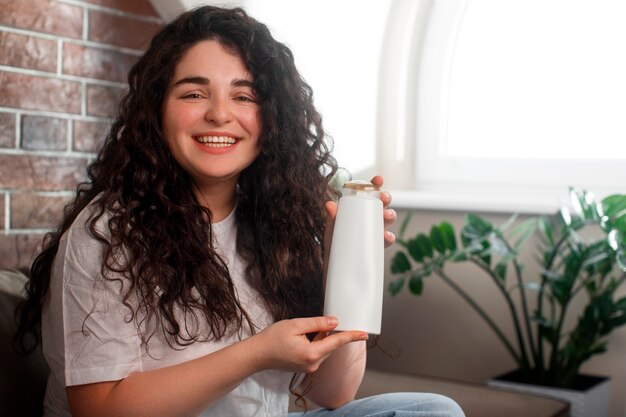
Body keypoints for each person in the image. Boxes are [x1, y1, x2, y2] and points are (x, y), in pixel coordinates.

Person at [15, 5, 465, 417]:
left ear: (271, 118)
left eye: (244, 97)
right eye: (193, 94)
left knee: (432, 410)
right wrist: (255, 353)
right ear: (157, 110)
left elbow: (333, 393)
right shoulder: (107, 232)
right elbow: (98, 409)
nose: (219, 114)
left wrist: (340, 268)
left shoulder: (276, 223)